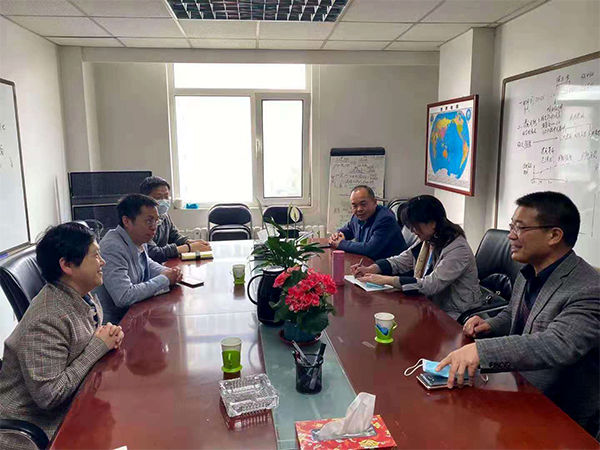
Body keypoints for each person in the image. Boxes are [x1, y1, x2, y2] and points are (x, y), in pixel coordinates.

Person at [437, 191, 599, 438]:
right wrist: (490, 325)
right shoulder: (530, 271)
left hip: (560, 413)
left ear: (554, 235)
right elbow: (515, 313)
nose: (510, 236)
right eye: (511, 226)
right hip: (517, 388)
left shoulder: (588, 288)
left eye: (520, 228)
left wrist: (481, 351)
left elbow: (558, 344)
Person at [0, 223, 124, 449]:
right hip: (35, 427)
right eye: (95, 255)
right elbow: (50, 396)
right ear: (67, 265)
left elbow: (84, 340)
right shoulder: (46, 319)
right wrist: (98, 346)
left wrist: (107, 335)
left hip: (75, 401)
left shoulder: (82, 294)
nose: (102, 262)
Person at [354, 195, 480, 318]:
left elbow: (431, 285)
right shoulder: (430, 239)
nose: (412, 231)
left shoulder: (458, 249)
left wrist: (387, 280)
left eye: (415, 226)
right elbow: (404, 260)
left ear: (432, 223)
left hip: (456, 314)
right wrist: (373, 268)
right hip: (431, 305)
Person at [94, 194, 183, 324]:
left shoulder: (137, 238)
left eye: (156, 221)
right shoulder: (112, 247)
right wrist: (164, 279)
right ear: (127, 221)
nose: (154, 227)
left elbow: (147, 263)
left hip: (136, 315)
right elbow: (124, 296)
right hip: (116, 325)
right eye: (149, 221)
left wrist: (169, 272)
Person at [139, 176, 211, 263]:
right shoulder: (141, 221)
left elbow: (174, 236)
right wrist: (188, 247)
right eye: (158, 197)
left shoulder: (164, 216)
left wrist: (190, 242)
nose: (164, 201)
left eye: (166, 197)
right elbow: (154, 253)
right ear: (145, 198)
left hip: (158, 265)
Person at [329, 185, 407, 261]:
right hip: (368, 264)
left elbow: (370, 249)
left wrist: (341, 244)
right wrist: (337, 235)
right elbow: (348, 230)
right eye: (355, 206)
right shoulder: (357, 217)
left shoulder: (385, 219)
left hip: (389, 267)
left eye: (363, 204)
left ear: (375, 202)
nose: (359, 209)